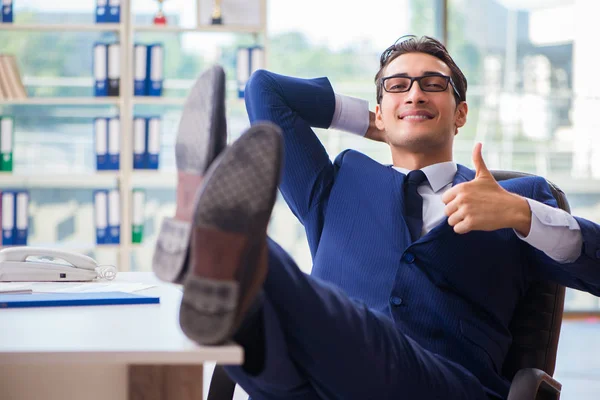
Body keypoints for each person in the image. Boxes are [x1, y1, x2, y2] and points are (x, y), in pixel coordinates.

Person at [153, 36, 600, 400]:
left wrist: (520, 214)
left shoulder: (519, 197)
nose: (416, 93)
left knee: (331, 327)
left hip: (444, 386)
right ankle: (224, 252)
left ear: (461, 113)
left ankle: (221, 245)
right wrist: (371, 121)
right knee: (261, 349)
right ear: (379, 112)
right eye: (398, 86)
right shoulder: (336, 184)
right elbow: (264, 91)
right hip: (320, 381)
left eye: (433, 85)